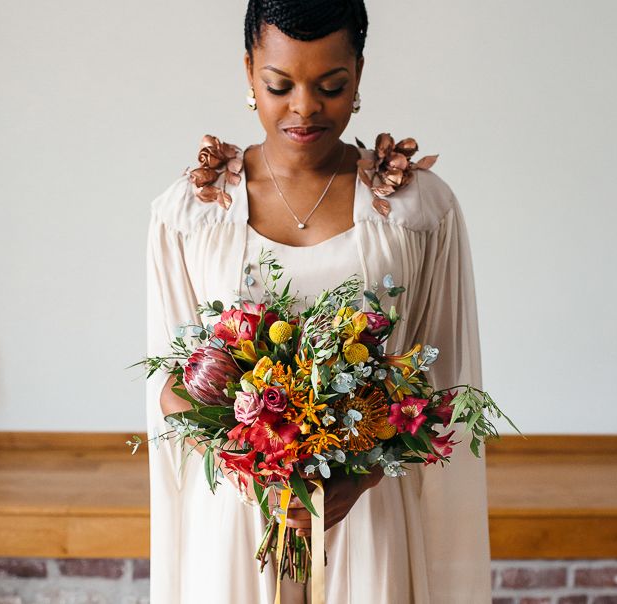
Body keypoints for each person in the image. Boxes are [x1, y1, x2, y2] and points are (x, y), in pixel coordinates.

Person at [146, 1, 492, 602]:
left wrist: (355, 479)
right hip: (235, 523)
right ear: (248, 71)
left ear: (358, 74)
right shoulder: (190, 214)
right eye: (279, 84)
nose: (304, 107)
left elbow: (446, 385)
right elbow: (173, 387)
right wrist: (259, 465)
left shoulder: (418, 210)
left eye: (330, 86)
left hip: (372, 518)